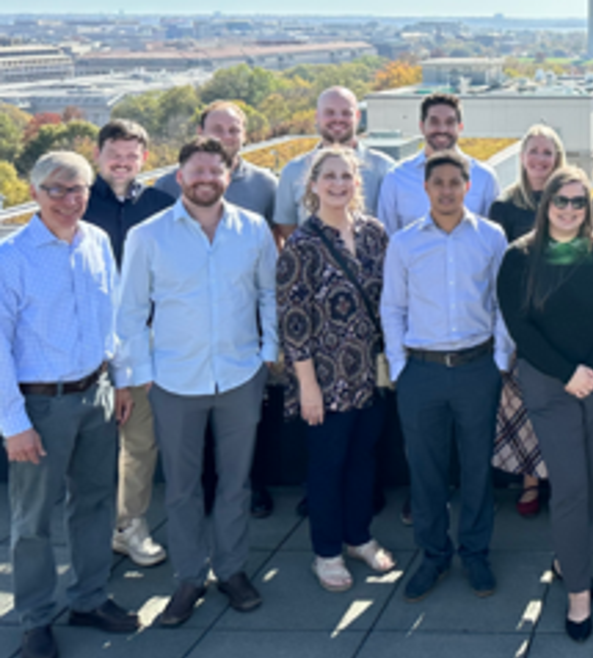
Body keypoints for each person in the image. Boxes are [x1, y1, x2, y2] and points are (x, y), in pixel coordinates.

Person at [116, 136, 278, 627]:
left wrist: (268, 354)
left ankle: (231, 570)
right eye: (197, 171)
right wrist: (142, 374)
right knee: (182, 488)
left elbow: (269, 294)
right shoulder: (148, 236)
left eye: (215, 171)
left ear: (227, 176)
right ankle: (189, 578)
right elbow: (130, 312)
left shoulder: (253, 229)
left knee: (235, 483)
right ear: (180, 176)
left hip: (240, 375)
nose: (206, 179)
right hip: (173, 381)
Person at [1, 152, 140, 658]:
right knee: (33, 520)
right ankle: (35, 617)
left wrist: (119, 379)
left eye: (77, 188)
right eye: (55, 189)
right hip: (39, 404)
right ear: (34, 192)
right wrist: (13, 424)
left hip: (96, 394)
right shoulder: (10, 257)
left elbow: (112, 315)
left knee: (96, 503)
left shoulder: (97, 241)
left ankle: (89, 598)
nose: (67, 199)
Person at [497, 166, 593, 641]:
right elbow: (519, 325)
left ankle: (566, 555)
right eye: (561, 200)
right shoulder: (520, 257)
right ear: (546, 203)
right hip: (549, 382)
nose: (570, 209)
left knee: (591, 479)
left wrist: (591, 368)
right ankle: (578, 591)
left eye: (579, 201)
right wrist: (568, 372)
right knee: (571, 485)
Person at [381, 149, 507, 601]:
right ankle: (433, 554)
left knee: (476, 468)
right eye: (439, 183)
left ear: (468, 187)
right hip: (422, 372)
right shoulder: (404, 243)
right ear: (426, 188)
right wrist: (400, 366)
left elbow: (502, 303)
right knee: (426, 470)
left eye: (456, 182)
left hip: (477, 368)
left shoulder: (491, 237)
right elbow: (392, 307)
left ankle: (475, 552)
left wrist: (500, 361)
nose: (447, 190)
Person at [276, 148, 396, 592]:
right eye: (329, 176)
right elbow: (293, 322)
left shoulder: (374, 234)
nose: (338, 184)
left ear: (357, 183)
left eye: (346, 176)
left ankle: (358, 537)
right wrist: (307, 385)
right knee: (327, 466)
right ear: (313, 184)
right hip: (324, 380)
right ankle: (326, 552)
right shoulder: (302, 244)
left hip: (369, 374)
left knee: (363, 460)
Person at [154, 101, 281, 519]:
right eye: (217, 129)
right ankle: (204, 493)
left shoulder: (265, 184)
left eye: (234, 130)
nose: (226, 137)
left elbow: (274, 251)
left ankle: (252, 486)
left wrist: (269, 341)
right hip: (186, 327)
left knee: (247, 418)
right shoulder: (166, 186)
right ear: (200, 132)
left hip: (243, 321)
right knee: (194, 420)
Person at [81, 119, 174, 569]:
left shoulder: (162, 206)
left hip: (142, 345)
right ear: (97, 155)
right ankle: (89, 529)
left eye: (131, 156)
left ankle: (129, 525)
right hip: (86, 348)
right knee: (92, 447)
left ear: (144, 159)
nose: (122, 163)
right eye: (114, 154)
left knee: (140, 442)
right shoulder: (77, 204)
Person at [489, 124, 566, 517]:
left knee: (562, 402)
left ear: (558, 159)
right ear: (522, 158)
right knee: (524, 403)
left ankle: (563, 477)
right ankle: (530, 480)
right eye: (534, 151)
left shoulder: (569, 200)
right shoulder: (504, 207)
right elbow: (499, 270)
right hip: (520, 319)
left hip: (563, 317)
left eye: (547, 152)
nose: (540, 159)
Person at [273, 86, 396, 236]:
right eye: (329, 113)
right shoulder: (293, 171)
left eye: (346, 113)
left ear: (357, 116)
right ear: (317, 117)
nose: (338, 119)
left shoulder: (385, 169)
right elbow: (286, 227)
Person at [378, 92, 498, 234]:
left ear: (460, 127)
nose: (442, 129)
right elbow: (387, 238)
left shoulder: (484, 177)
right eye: (434, 122)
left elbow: (492, 238)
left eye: (449, 122)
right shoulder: (396, 178)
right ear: (422, 127)